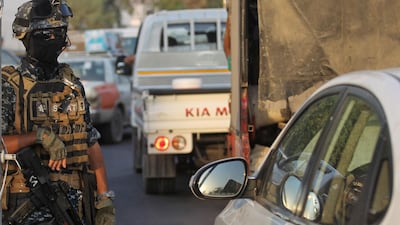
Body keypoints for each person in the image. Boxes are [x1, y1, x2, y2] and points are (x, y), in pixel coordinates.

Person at [1, 0, 115, 224]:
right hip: (27, 202)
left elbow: (90, 143)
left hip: (75, 202)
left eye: (59, 33)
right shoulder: (10, 86)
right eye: (46, 35)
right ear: (26, 37)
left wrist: (104, 199)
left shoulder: (71, 85)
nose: (55, 40)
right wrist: (39, 137)